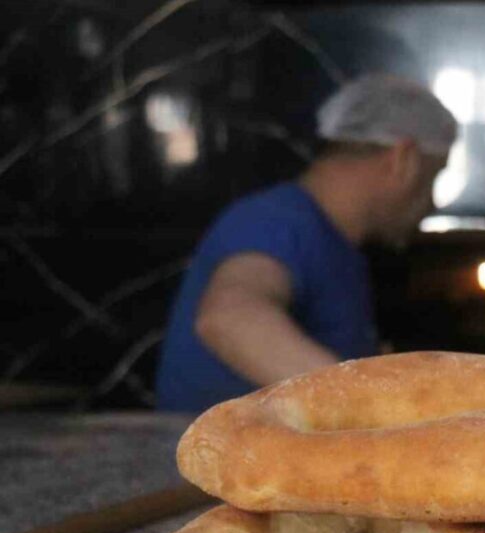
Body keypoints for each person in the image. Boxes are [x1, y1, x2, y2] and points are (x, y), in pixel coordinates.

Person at [155, 75, 457, 412]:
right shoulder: (276, 220)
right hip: (216, 461)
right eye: (434, 177)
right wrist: (374, 407)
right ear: (405, 160)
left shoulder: (335, 242)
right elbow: (228, 317)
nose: (431, 203)